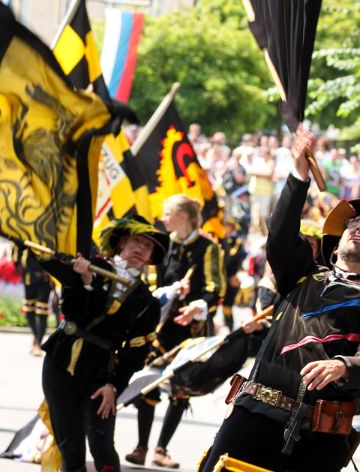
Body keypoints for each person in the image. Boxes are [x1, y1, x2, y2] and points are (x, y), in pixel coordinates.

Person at [199, 124, 360, 472]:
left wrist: (345, 365)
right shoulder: (302, 274)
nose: (358, 227)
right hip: (252, 419)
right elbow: (280, 235)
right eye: (353, 222)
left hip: (320, 439)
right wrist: (298, 175)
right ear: (337, 240)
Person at [41, 216, 168, 472]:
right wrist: (86, 282)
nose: (140, 248)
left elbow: (137, 352)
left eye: (147, 246)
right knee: (72, 450)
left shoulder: (148, 302)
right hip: (60, 362)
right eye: (136, 241)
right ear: (121, 242)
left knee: (103, 450)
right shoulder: (92, 266)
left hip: (100, 376)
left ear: (151, 256)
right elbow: (74, 312)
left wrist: (114, 385)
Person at [126, 194, 225, 468]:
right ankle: (141, 445)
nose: (163, 217)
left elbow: (216, 288)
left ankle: (161, 448)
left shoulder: (207, 247)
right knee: (147, 381)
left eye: (168, 213)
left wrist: (197, 306)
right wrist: (163, 294)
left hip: (191, 328)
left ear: (182, 216)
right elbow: (148, 280)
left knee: (180, 387)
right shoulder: (162, 244)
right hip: (158, 324)